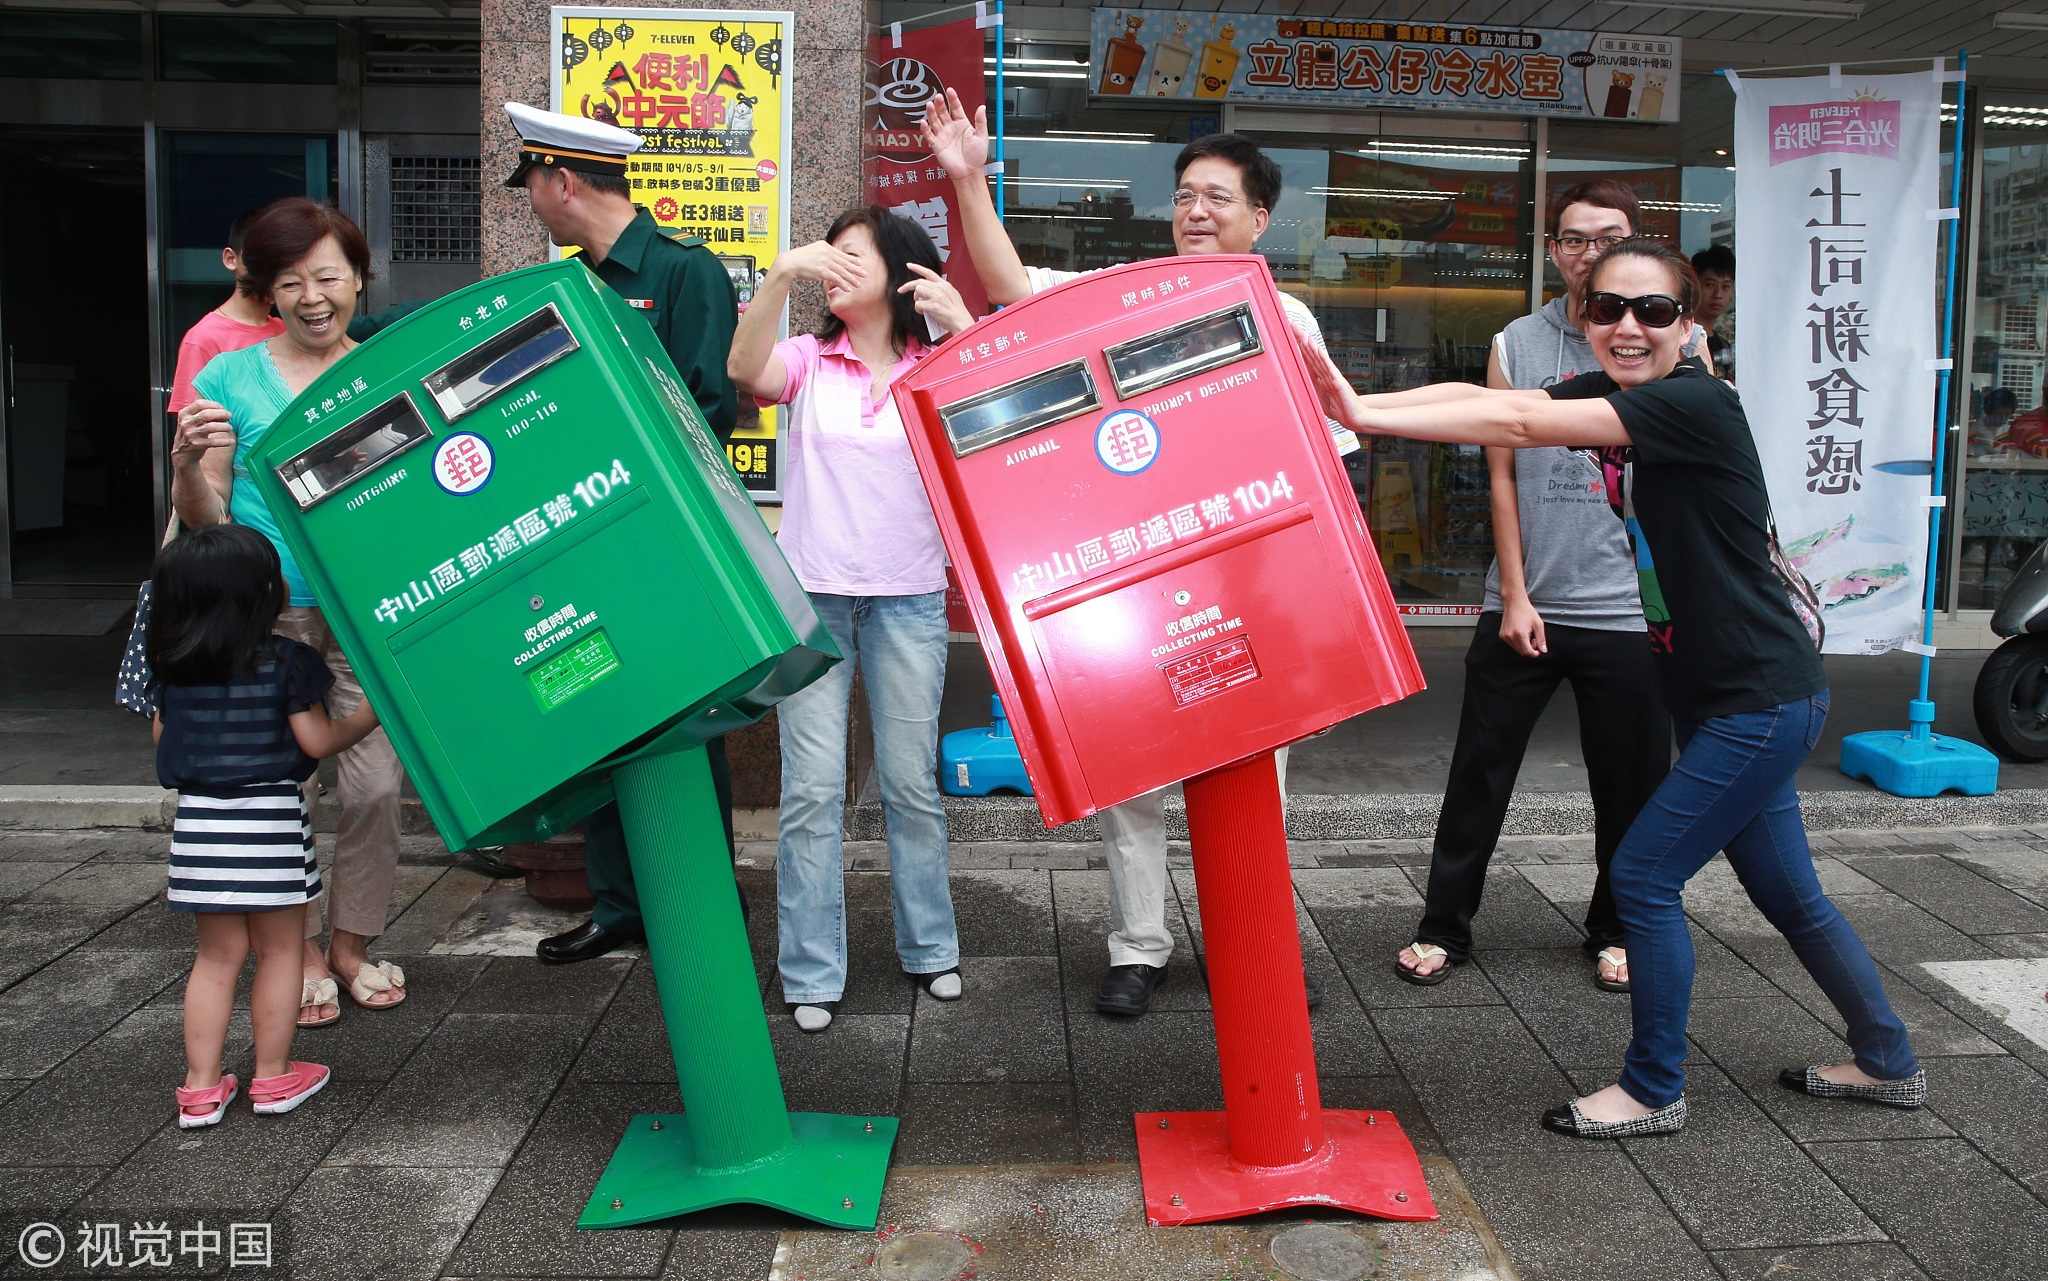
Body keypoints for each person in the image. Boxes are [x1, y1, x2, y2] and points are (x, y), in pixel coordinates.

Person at [1300, 237, 1924, 1138]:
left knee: (1641, 874)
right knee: (1790, 896)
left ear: (1689, 323)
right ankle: (1887, 1058)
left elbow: (1513, 430)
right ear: (1586, 317)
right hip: (1727, 699)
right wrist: (1356, 407)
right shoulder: (1621, 394)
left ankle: (1653, 1086)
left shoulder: (1695, 404)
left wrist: (1362, 410)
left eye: (1653, 311)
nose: (1627, 326)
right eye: (1607, 309)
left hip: (1758, 698)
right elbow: (1496, 402)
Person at [924, 91, 1339, 1017]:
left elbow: (1327, 475)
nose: (1196, 209)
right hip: (1141, 587)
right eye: (1187, 193)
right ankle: (1138, 946)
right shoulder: (1128, 297)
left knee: (1255, 784)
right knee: (1136, 778)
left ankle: (1258, 938)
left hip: (1252, 590)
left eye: (1218, 197)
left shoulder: (1290, 318)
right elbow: (1017, 298)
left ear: (1260, 219)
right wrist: (965, 179)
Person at [1399, 180, 1689, 994]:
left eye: (1608, 237)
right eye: (1572, 239)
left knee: (1630, 784)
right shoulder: (1518, 342)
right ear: (1554, 250)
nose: (1588, 252)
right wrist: (1515, 594)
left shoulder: (1664, 342)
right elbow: (1502, 471)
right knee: (1478, 775)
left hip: (1630, 612)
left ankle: (1618, 926)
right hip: (1526, 602)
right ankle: (1443, 926)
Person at [497, 102, 745, 965]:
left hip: (659, 545)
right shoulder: (566, 289)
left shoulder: (685, 274)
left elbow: (711, 409)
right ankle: (619, 905)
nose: (529, 198)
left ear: (563, 182)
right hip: (582, 545)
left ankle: (700, 900)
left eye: (530, 182)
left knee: (680, 721)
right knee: (598, 711)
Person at [727, 206, 975, 1033]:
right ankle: (809, 967)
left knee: (910, 786)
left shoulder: (936, 363)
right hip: (814, 601)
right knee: (811, 791)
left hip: (908, 595)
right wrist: (781, 276)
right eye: (828, 257)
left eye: (851, 256)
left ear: (902, 271)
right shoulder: (808, 358)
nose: (834, 267)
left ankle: (931, 948)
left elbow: (992, 423)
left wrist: (964, 328)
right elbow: (745, 366)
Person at [171, 197, 409, 1029]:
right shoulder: (229, 377)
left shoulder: (384, 369)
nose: (313, 297)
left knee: (377, 785)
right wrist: (186, 472)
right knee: (278, 793)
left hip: (364, 612)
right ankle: (298, 951)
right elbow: (210, 521)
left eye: (329, 277)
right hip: (268, 619)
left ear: (357, 277)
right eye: (291, 282)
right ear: (267, 291)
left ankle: (351, 941)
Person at [151, 524, 382, 1127]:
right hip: (270, 823)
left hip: (199, 826)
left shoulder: (172, 668)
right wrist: (370, 716)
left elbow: (162, 742)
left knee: (216, 958)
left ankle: (200, 1088)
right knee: (280, 952)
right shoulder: (286, 662)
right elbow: (318, 739)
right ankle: (274, 1077)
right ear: (263, 596)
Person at [167, 209, 283, 421]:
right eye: (261, 260)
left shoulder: (285, 329)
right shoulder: (203, 338)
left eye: (282, 263)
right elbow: (195, 434)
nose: (272, 272)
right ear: (231, 259)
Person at [1690, 245, 1734, 382]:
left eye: (1725, 286)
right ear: (1694, 286)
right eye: (1709, 285)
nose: (1718, 294)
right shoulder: (1681, 341)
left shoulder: (1724, 345)